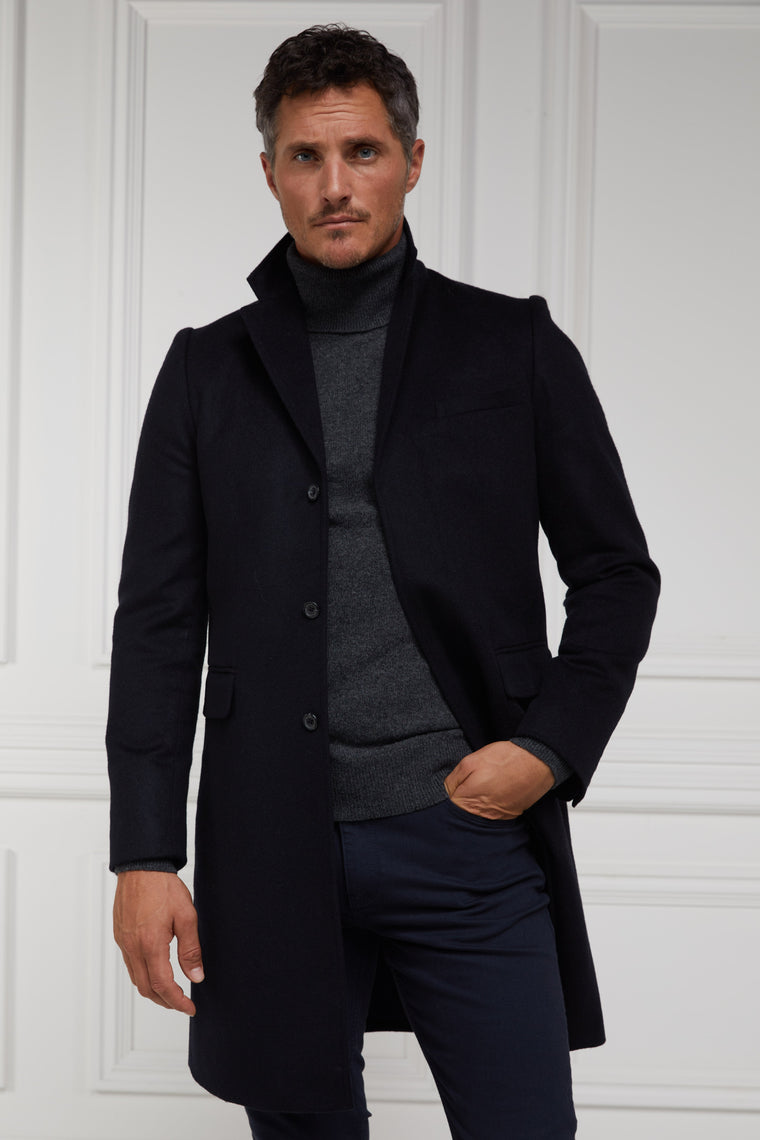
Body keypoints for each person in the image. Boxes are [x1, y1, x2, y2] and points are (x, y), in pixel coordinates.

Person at [107, 24, 659, 1140]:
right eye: (305, 157)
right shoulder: (207, 369)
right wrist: (144, 855)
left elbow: (615, 572)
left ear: (411, 159)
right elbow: (157, 624)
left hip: (466, 835)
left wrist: (548, 748)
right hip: (272, 845)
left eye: (361, 151)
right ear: (270, 172)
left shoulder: (511, 345)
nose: (335, 186)